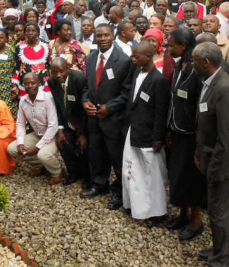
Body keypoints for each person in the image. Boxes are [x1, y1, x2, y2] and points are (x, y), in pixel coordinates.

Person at [193, 42, 229, 267]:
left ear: (206, 62)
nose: (191, 63)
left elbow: (227, 136)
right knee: (218, 210)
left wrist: (215, 169)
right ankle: (222, 249)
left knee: (219, 212)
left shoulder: (224, 88)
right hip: (213, 158)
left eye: (195, 60)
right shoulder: (210, 81)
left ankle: (223, 258)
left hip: (224, 164)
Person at [81, 24, 133, 209]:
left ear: (113, 36)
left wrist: (109, 108)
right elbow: (87, 87)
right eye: (99, 36)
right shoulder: (91, 58)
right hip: (93, 117)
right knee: (97, 154)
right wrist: (85, 101)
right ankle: (99, 185)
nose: (102, 39)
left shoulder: (124, 60)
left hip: (113, 119)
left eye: (106, 36)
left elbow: (126, 93)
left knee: (116, 158)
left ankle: (119, 192)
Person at [121, 41, 170, 227]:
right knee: (133, 170)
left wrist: (158, 137)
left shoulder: (159, 80)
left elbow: (160, 111)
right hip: (134, 130)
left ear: (149, 57)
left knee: (152, 174)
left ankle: (157, 212)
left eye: (137, 56)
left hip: (149, 135)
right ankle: (135, 205)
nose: (133, 59)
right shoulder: (136, 73)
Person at [164, 28, 206, 240]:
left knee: (191, 179)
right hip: (177, 130)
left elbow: (200, 104)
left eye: (172, 45)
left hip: (191, 135)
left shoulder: (196, 70)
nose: (168, 48)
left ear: (184, 46)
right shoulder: (180, 65)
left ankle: (196, 220)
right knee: (177, 175)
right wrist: (170, 127)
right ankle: (182, 213)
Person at [7, 73, 63, 184]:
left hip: (52, 136)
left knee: (43, 154)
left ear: (39, 84)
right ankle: (40, 165)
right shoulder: (23, 100)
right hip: (37, 134)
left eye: (33, 83)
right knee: (12, 149)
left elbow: (53, 126)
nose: (30, 86)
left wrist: (37, 148)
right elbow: (20, 124)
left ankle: (57, 172)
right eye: (26, 83)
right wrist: (20, 143)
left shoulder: (48, 98)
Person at [48, 58, 90, 187]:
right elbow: (57, 105)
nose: (58, 75)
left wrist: (83, 134)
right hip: (67, 122)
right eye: (54, 72)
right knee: (63, 143)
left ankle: (88, 178)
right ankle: (73, 174)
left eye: (61, 71)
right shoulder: (52, 82)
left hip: (83, 122)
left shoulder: (79, 79)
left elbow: (84, 110)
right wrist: (60, 129)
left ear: (68, 68)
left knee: (83, 148)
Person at [202, 15, 229, 99]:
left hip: (222, 97)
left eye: (212, 21)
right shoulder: (198, 43)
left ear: (219, 26)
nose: (208, 23)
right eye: (205, 22)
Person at [13, 22, 51, 96]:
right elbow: (16, 66)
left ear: (38, 32)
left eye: (33, 31)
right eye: (28, 31)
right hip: (25, 83)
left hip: (42, 81)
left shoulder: (45, 46)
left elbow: (48, 65)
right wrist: (15, 85)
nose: (30, 33)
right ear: (25, 33)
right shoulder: (19, 46)